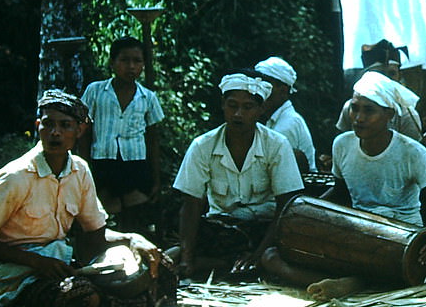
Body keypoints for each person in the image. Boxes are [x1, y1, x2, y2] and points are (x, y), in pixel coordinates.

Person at [0, 90, 167, 307]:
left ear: (80, 131)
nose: (55, 132)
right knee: (83, 296)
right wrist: (37, 262)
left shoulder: (79, 170)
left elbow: (94, 234)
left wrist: (131, 239)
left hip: (62, 266)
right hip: (18, 277)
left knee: (160, 271)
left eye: (65, 125)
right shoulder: (16, 176)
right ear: (38, 127)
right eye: (48, 124)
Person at [262, 71, 426, 300]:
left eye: (369, 110)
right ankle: (370, 279)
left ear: (389, 114)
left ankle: (354, 281)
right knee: (271, 257)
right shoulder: (342, 144)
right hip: (356, 232)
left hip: (401, 238)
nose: (358, 118)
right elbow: (341, 193)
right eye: (355, 108)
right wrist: (305, 211)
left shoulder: (413, 152)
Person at [172, 71, 304, 279]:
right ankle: (222, 264)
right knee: (176, 253)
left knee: (274, 254)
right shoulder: (202, 146)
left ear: (261, 109)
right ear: (223, 105)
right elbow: (191, 204)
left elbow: (286, 206)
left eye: (248, 107)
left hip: (265, 229)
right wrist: (186, 258)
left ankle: (236, 264)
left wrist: (257, 255)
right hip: (222, 229)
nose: (238, 114)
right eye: (232, 105)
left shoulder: (277, 144)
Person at [79, 36, 165, 220]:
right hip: (103, 163)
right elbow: (84, 132)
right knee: (102, 213)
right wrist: (84, 168)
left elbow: (153, 139)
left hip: (135, 164)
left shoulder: (148, 97)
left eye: (137, 61)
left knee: (135, 214)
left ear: (143, 65)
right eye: (124, 60)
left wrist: (156, 179)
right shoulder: (95, 91)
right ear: (112, 63)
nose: (131, 66)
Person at [335, 44, 423, 141]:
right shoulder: (351, 108)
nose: (385, 79)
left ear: (399, 76)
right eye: (379, 73)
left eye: (391, 74)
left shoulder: (407, 116)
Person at [254, 56, 316, 173]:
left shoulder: (288, 124)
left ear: (283, 90)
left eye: (266, 87)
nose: (260, 92)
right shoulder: (274, 120)